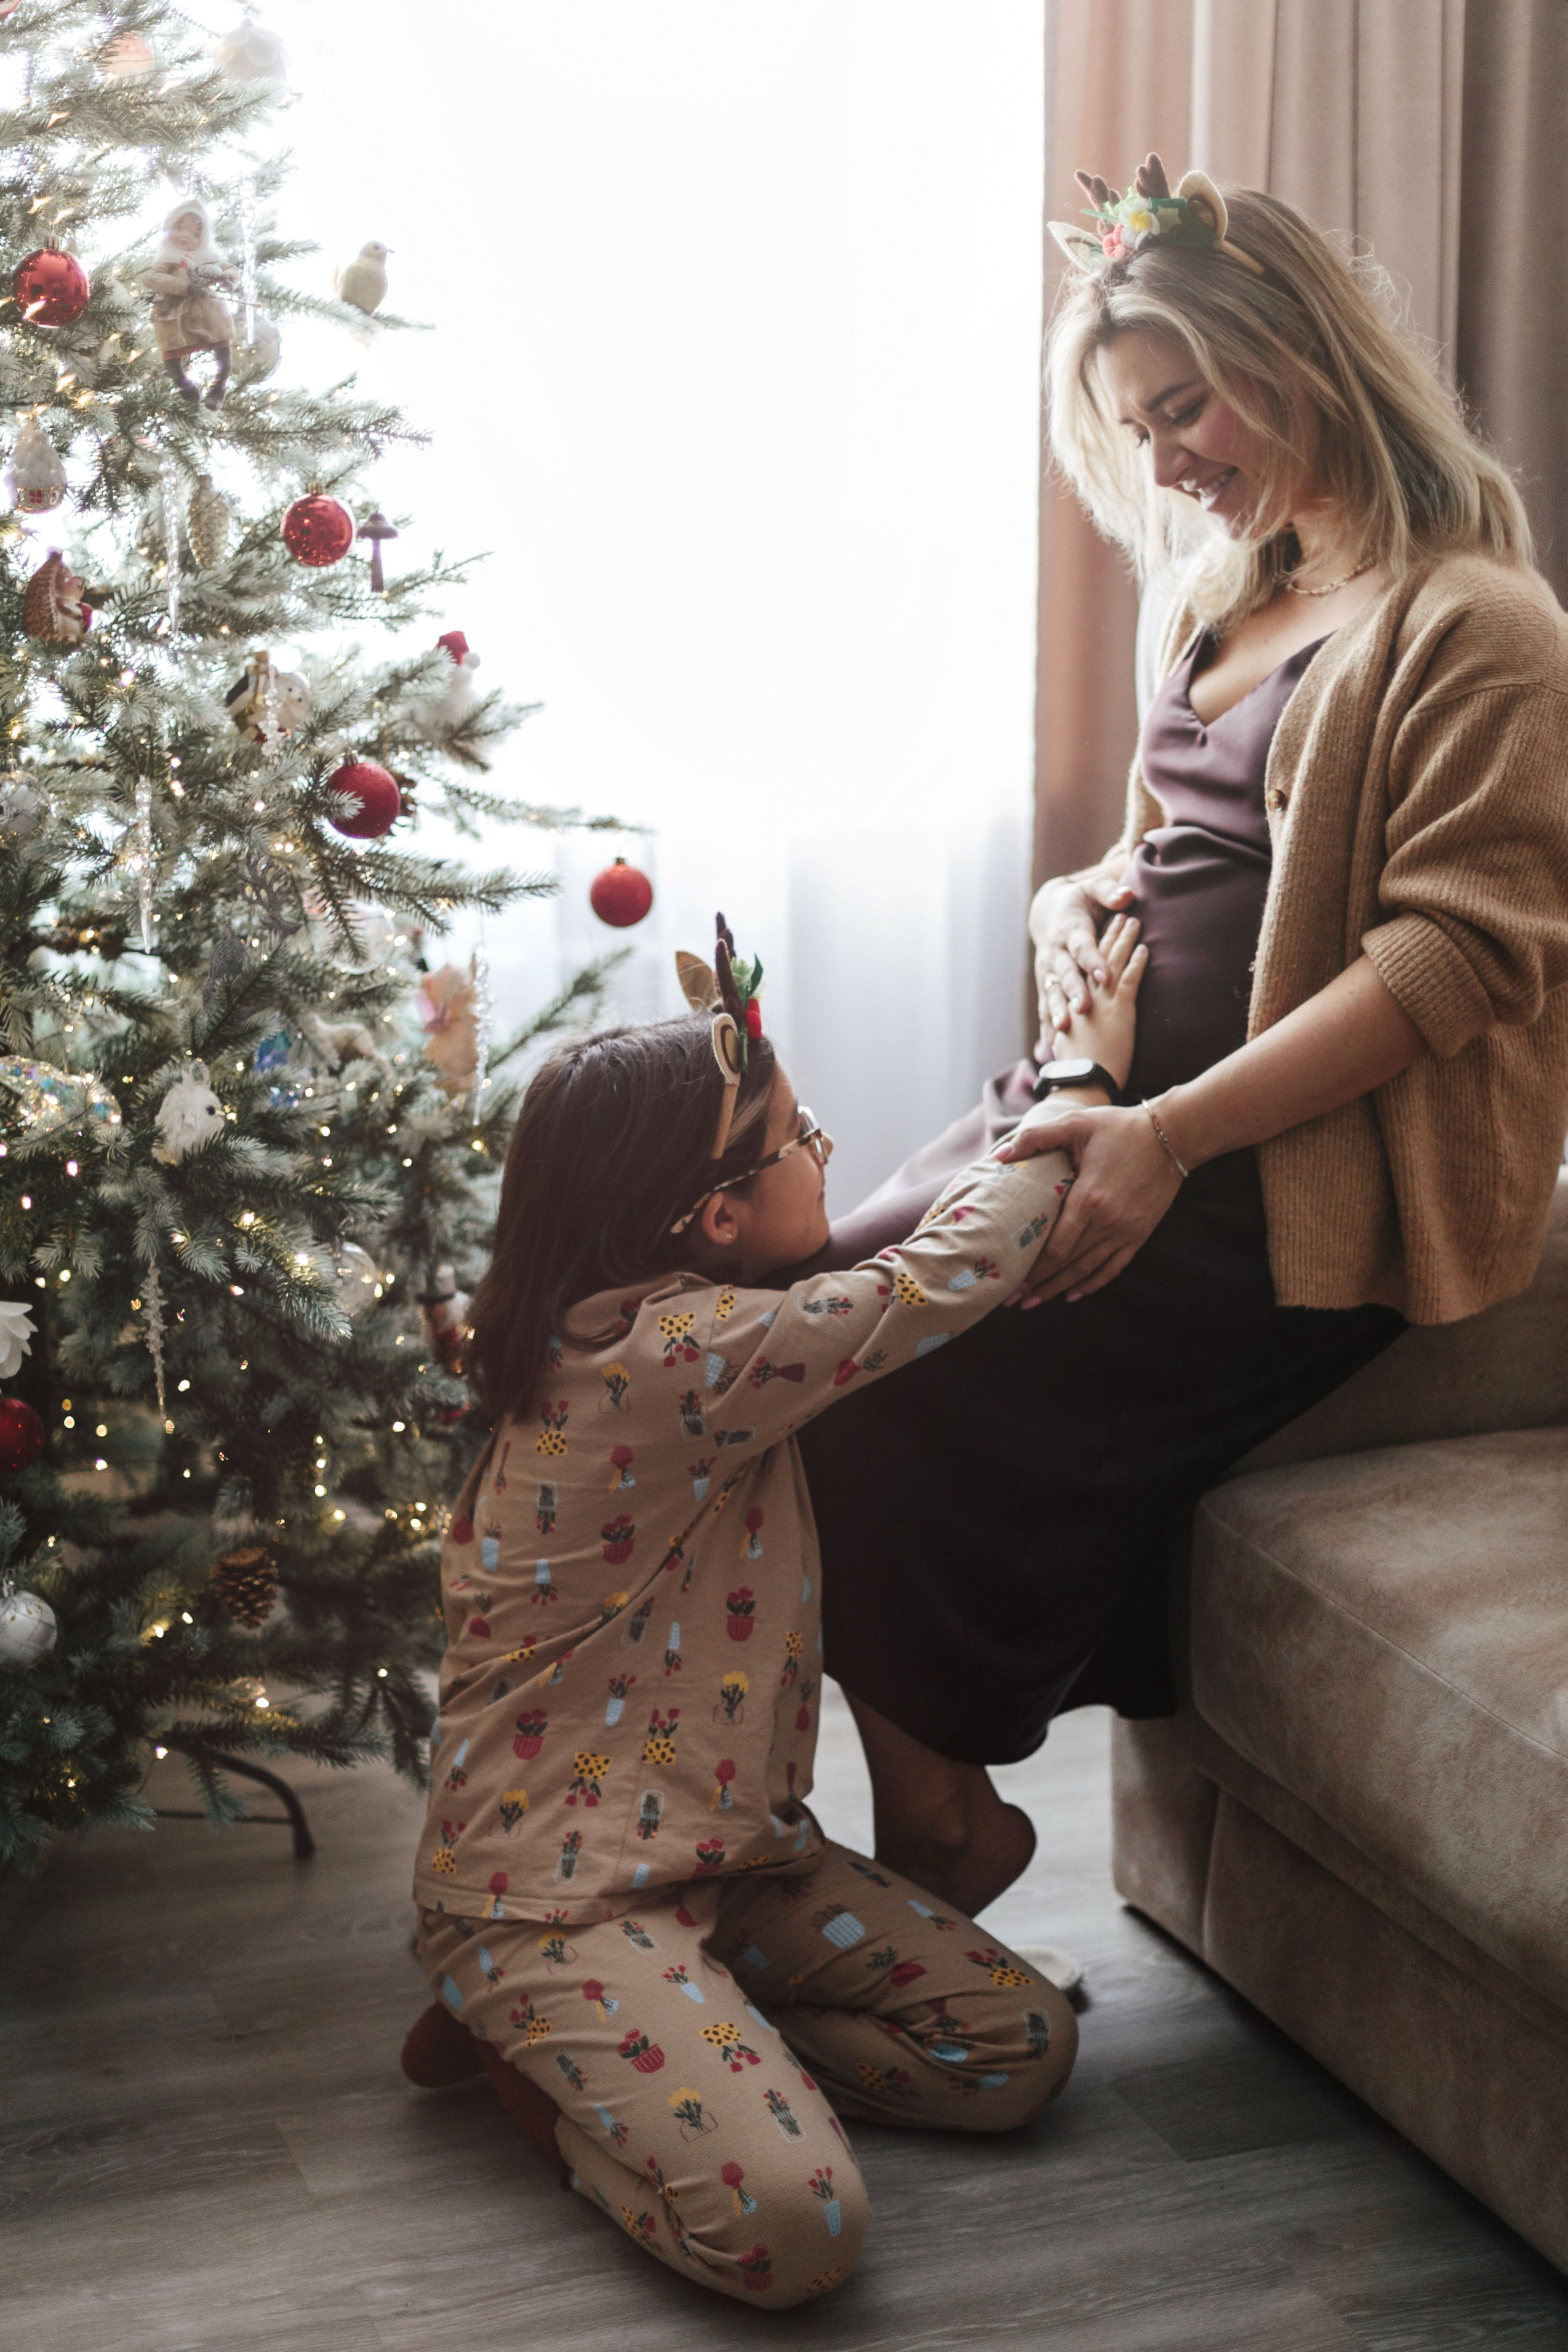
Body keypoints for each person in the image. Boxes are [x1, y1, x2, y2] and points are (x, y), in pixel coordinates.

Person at [798, 154, 1568, 1921]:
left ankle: (933, 1823)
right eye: (1137, 430)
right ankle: (818, 1824)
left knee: (874, 1372)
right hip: (1105, 1101)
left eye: (1181, 408)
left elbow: (1453, 960)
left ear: (1297, 349)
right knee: (801, 1324)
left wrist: (1168, 1139)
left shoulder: (1479, 626)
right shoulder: (1231, 589)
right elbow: (1166, 851)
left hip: (1276, 1180)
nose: (1166, 465)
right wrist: (1072, 916)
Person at [396, 915, 1145, 2309]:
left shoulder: (669, 1318)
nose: (825, 1153)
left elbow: (872, 1266)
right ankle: (544, 2065)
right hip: (558, 1895)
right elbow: (925, 1283)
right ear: (716, 1219)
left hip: (729, 1863)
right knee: (794, 2234)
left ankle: (670, 2045)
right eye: (800, 1140)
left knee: (1016, 2050)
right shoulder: (670, 1354)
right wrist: (1079, 1093)